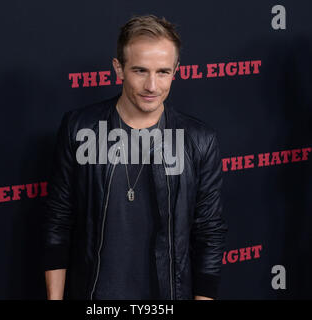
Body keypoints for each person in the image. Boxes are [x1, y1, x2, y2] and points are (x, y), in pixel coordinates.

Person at [42, 14, 228, 300]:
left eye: (163, 72)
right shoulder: (79, 128)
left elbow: (209, 235)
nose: (152, 86)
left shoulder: (199, 140)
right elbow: (58, 220)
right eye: (140, 71)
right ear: (119, 69)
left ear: (176, 71)